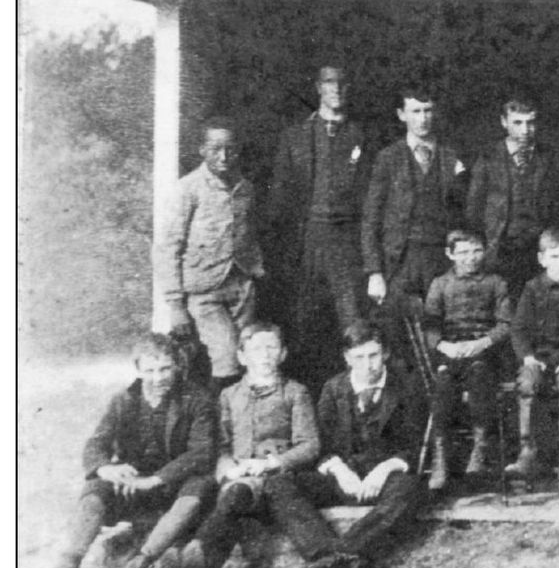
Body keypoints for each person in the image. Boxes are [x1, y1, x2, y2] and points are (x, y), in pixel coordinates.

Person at [20, 335, 217, 568]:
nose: (158, 378)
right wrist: (106, 470)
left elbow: (202, 453)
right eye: (150, 370)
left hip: (175, 483)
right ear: (138, 369)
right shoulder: (124, 400)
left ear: (178, 366)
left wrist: (156, 479)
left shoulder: (197, 399)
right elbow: (96, 444)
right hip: (134, 484)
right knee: (95, 488)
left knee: (199, 486)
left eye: (165, 368)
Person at [262, 321, 429, 568]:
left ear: (385, 353)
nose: (367, 365)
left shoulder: (406, 386)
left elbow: (416, 442)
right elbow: (321, 445)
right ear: (347, 358)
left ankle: (339, 554)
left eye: (374, 355)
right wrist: (339, 470)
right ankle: (326, 553)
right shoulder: (334, 388)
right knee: (277, 484)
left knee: (412, 488)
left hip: (384, 480)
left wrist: (386, 467)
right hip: (345, 477)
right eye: (359, 358)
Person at [181, 322, 319, 568]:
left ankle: (199, 556)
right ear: (242, 357)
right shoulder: (229, 395)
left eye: (271, 348)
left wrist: (271, 463)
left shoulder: (295, 392)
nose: (265, 355)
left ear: (283, 354)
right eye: (256, 349)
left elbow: (309, 445)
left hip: (276, 478)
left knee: (236, 496)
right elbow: (220, 444)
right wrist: (226, 467)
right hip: (237, 477)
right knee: (234, 494)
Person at [265, 64, 370, 384]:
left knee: (353, 323)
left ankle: (356, 406)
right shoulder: (296, 136)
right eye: (328, 82)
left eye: (341, 82)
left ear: (349, 88)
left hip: (346, 242)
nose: (335, 88)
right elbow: (280, 200)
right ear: (318, 88)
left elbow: (370, 197)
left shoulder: (360, 136)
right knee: (305, 323)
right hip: (308, 240)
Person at [157, 118, 265, 390]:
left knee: (248, 356)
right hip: (204, 292)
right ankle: (218, 427)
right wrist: (175, 305)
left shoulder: (245, 188)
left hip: (241, 287)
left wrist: (255, 271)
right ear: (202, 150)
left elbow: (249, 234)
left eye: (230, 149)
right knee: (226, 357)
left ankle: (240, 422)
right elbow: (168, 246)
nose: (224, 156)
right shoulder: (188, 189)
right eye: (216, 149)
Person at [362, 84, 468, 317]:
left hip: (442, 260)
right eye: (416, 111)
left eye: (428, 111)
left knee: (441, 325)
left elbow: (466, 215)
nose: (423, 119)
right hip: (399, 260)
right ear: (402, 115)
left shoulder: (453, 156)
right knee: (397, 327)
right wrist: (374, 273)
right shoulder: (388, 158)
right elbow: (371, 219)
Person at [420, 229, 513, 489]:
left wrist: (481, 343)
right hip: (451, 350)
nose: (470, 258)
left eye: (476, 251)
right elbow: (430, 325)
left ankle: (480, 449)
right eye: (463, 252)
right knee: (444, 383)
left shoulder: (496, 282)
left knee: (480, 375)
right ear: (450, 254)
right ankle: (440, 457)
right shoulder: (440, 284)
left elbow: (506, 324)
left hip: (484, 349)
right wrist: (444, 345)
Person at [505, 230, 559, 489]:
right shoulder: (533, 288)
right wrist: (528, 358)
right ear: (542, 259)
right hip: (541, 357)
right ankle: (528, 451)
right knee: (528, 384)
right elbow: (518, 328)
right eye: (555, 257)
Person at [466, 96, 559, 295]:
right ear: (504, 122)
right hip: (500, 250)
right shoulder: (488, 157)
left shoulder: (551, 158)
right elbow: (474, 209)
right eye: (517, 123)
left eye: (530, 123)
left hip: (539, 251)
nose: (525, 130)